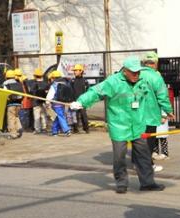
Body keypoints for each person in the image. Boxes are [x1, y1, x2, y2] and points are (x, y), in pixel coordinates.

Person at [70, 56, 166, 194]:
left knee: (144, 155)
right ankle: (121, 182)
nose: (136, 75)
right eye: (133, 72)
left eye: (138, 72)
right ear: (125, 71)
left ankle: (148, 182)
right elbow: (96, 91)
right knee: (119, 156)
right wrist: (81, 102)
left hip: (137, 124)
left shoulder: (141, 81)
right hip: (119, 124)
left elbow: (152, 98)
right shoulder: (113, 82)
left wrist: (163, 112)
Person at [141, 51, 174, 170]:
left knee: (137, 140)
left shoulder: (135, 74)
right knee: (149, 141)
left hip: (135, 115)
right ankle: (148, 165)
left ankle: (136, 162)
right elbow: (162, 96)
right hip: (150, 115)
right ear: (155, 63)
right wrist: (168, 111)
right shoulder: (156, 77)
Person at [46, 70, 71, 137]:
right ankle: (55, 131)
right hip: (63, 103)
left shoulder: (54, 85)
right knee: (58, 116)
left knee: (59, 116)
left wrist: (47, 102)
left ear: (53, 78)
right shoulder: (65, 83)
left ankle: (66, 130)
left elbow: (50, 95)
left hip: (55, 103)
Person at [2, 70, 23, 139]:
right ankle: (19, 128)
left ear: (6, 76)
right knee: (16, 116)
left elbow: (4, 94)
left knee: (11, 118)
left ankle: (13, 134)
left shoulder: (6, 84)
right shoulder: (18, 83)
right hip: (18, 103)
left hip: (10, 104)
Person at [70, 64, 90, 133]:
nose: (74, 72)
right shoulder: (72, 81)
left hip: (82, 102)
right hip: (74, 101)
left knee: (83, 115)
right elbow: (71, 91)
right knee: (74, 116)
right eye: (74, 71)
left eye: (76, 70)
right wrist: (71, 101)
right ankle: (75, 129)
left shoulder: (85, 81)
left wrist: (86, 101)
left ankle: (86, 129)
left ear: (81, 71)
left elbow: (88, 92)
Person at [30, 68, 48, 134]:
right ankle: (44, 128)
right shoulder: (46, 84)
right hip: (44, 102)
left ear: (35, 76)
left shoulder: (33, 84)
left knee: (36, 116)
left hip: (36, 102)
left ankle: (37, 129)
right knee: (43, 115)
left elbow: (31, 92)